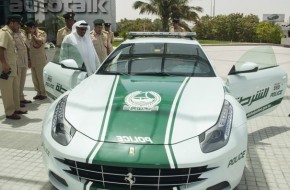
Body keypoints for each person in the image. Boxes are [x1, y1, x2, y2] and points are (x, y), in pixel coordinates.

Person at [0, 15, 28, 120]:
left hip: (13, 67)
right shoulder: (4, 33)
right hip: (6, 69)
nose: (19, 26)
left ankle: (16, 108)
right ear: (12, 22)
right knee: (7, 92)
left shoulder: (11, 33)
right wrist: (4, 64)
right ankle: (9, 112)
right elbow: (1, 49)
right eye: (18, 23)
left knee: (15, 90)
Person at [26, 20, 47, 100]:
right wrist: (28, 59)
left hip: (40, 59)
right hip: (32, 59)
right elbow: (28, 47)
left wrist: (33, 36)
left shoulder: (42, 33)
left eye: (29, 28)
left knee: (41, 77)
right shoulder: (28, 35)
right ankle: (38, 92)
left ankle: (43, 93)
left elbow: (40, 42)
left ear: (33, 27)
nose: (28, 30)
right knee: (34, 77)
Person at [14, 27, 32, 105]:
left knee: (22, 80)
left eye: (19, 23)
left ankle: (21, 98)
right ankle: (16, 100)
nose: (18, 26)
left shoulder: (22, 33)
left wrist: (28, 59)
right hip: (17, 60)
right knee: (16, 82)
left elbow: (27, 46)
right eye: (17, 23)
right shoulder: (10, 34)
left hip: (24, 60)